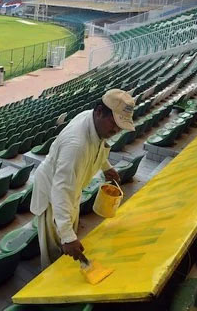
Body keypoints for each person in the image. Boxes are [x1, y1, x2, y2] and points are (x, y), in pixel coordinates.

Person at [30, 89, 135, 268]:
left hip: (71, 187)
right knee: (55, 249)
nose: (116, 130)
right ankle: (52, 285)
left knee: (68, 234)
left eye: (120, 126)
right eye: (114, 123)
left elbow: (98, 146)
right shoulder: (75, 145)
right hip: (52, 196)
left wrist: (106, 167)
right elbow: (60, 190)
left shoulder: (94, 121)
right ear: (100, 112)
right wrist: (67, 237)